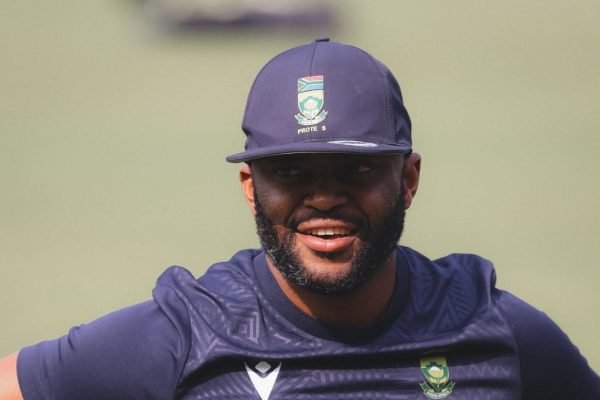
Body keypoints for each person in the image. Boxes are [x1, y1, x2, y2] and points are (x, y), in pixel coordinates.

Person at [0, 38, 598, 400]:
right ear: (250, 188)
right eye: (290, 172)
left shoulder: (492, 330)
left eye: (356, 170)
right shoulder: (187, 334)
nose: (324, 198)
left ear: (408, 179)